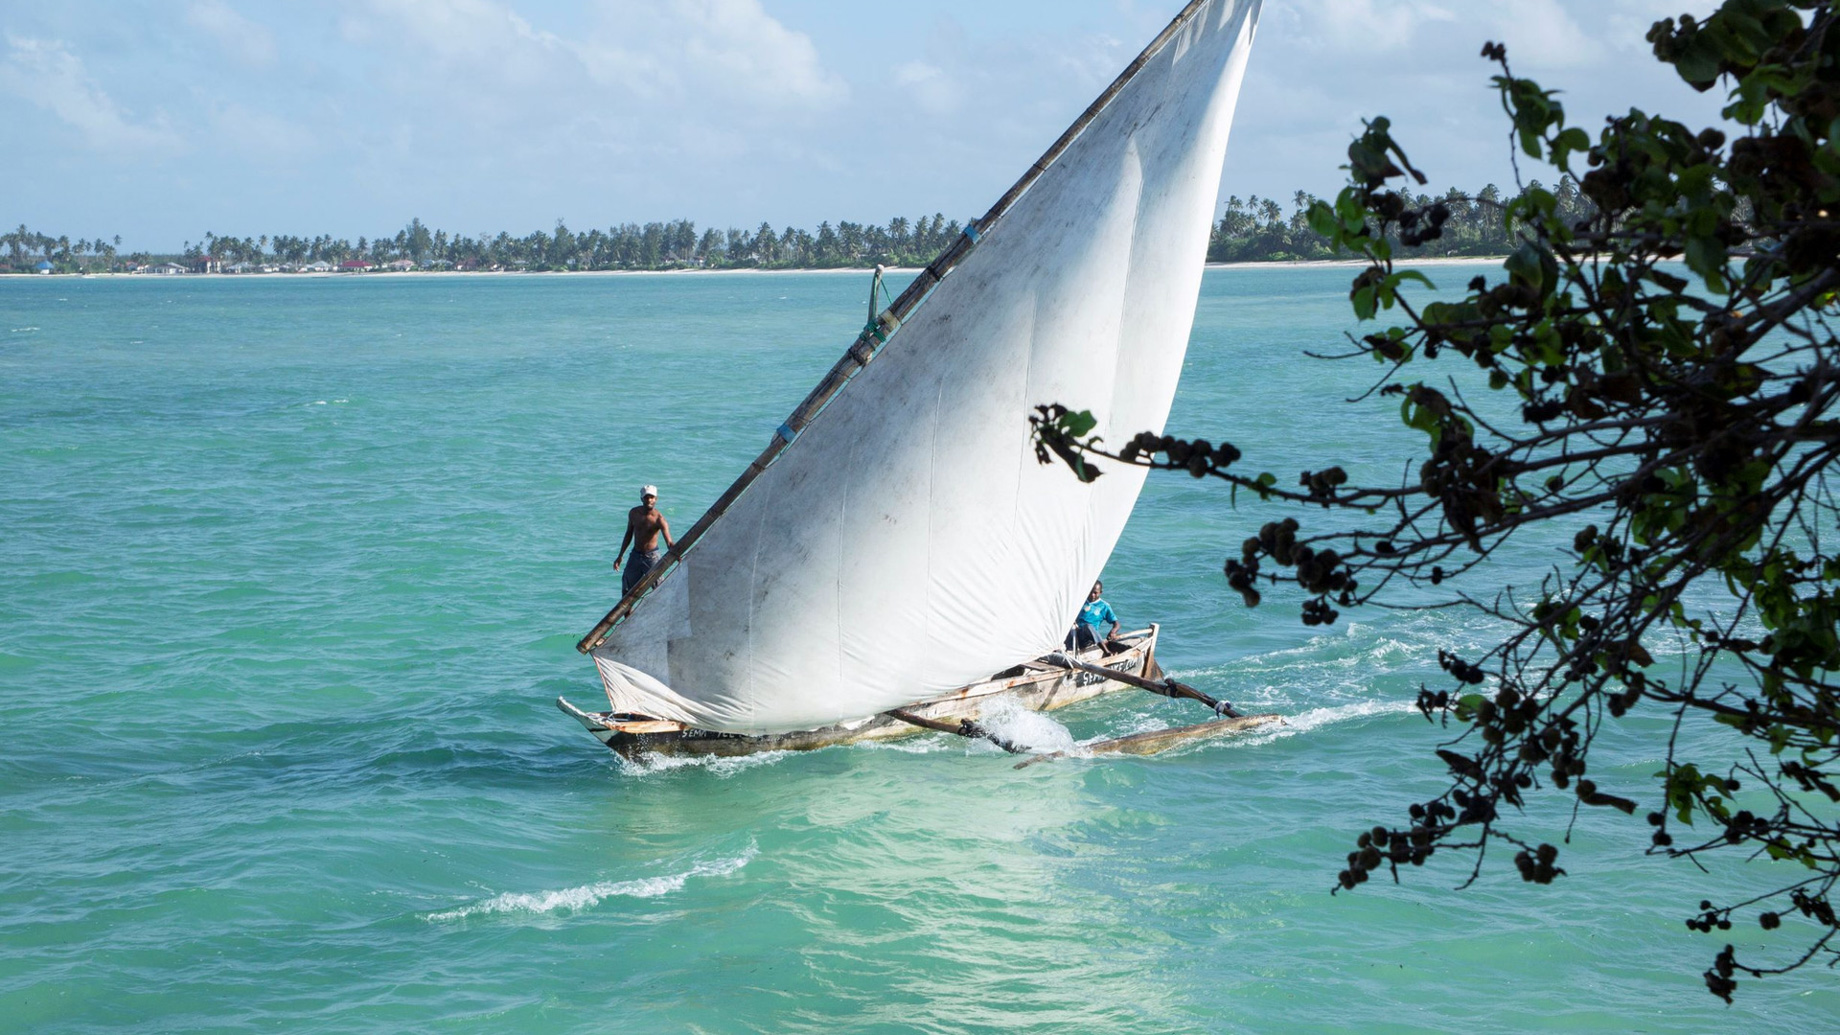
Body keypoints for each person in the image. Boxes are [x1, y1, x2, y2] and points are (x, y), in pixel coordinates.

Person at [613, 484, 675, 596]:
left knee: (660, 590)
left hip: (652, 557)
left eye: (652, 497)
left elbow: (669, 542)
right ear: (641, 498)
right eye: (646, 497)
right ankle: (629, 614)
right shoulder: (634, 513)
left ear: (656, 499)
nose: (649, 500)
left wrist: (676, 551)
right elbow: (628, 534)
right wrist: (620, 555)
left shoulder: (659, 519)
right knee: (627, 591)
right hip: (635, 556)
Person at [1065, 579, 1120, 651]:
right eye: (1090, 592)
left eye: (1095, 593)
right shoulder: (1080, 601)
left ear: (1100, 592)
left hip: (1088, 639)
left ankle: (1106, 651)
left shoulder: (1104, 606)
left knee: (1088, 626)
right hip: (1075, 634)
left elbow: (1116, 624)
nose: (1092, 595)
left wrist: (1113, 632)